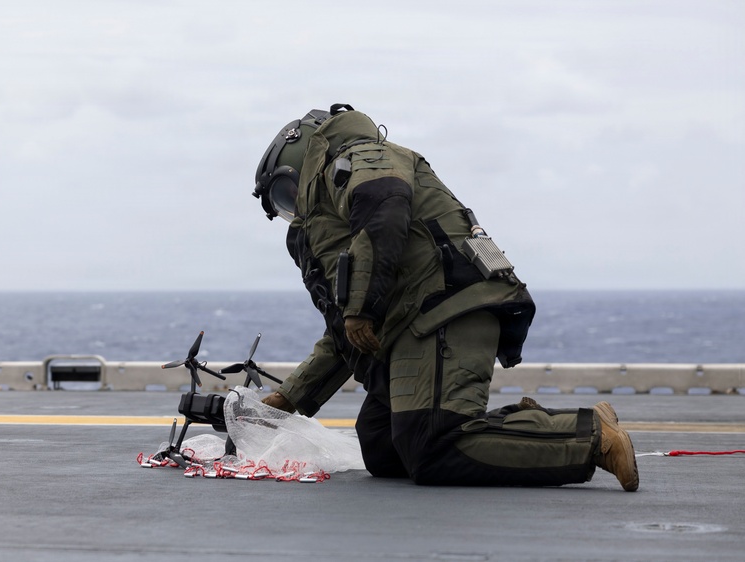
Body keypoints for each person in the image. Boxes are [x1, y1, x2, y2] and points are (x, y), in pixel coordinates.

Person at [252, 104, 638, 491]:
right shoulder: (342, 222)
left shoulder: (362, 158)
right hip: (417, 318)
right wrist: (290, 399)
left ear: (303, 159)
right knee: (383, 445)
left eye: (287, 194)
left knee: (431, 444)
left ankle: (591, 437)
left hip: (443, 307)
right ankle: (526, 427)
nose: (295, 209)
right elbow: (346, 333)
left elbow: (385, 204)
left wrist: (361, 309)